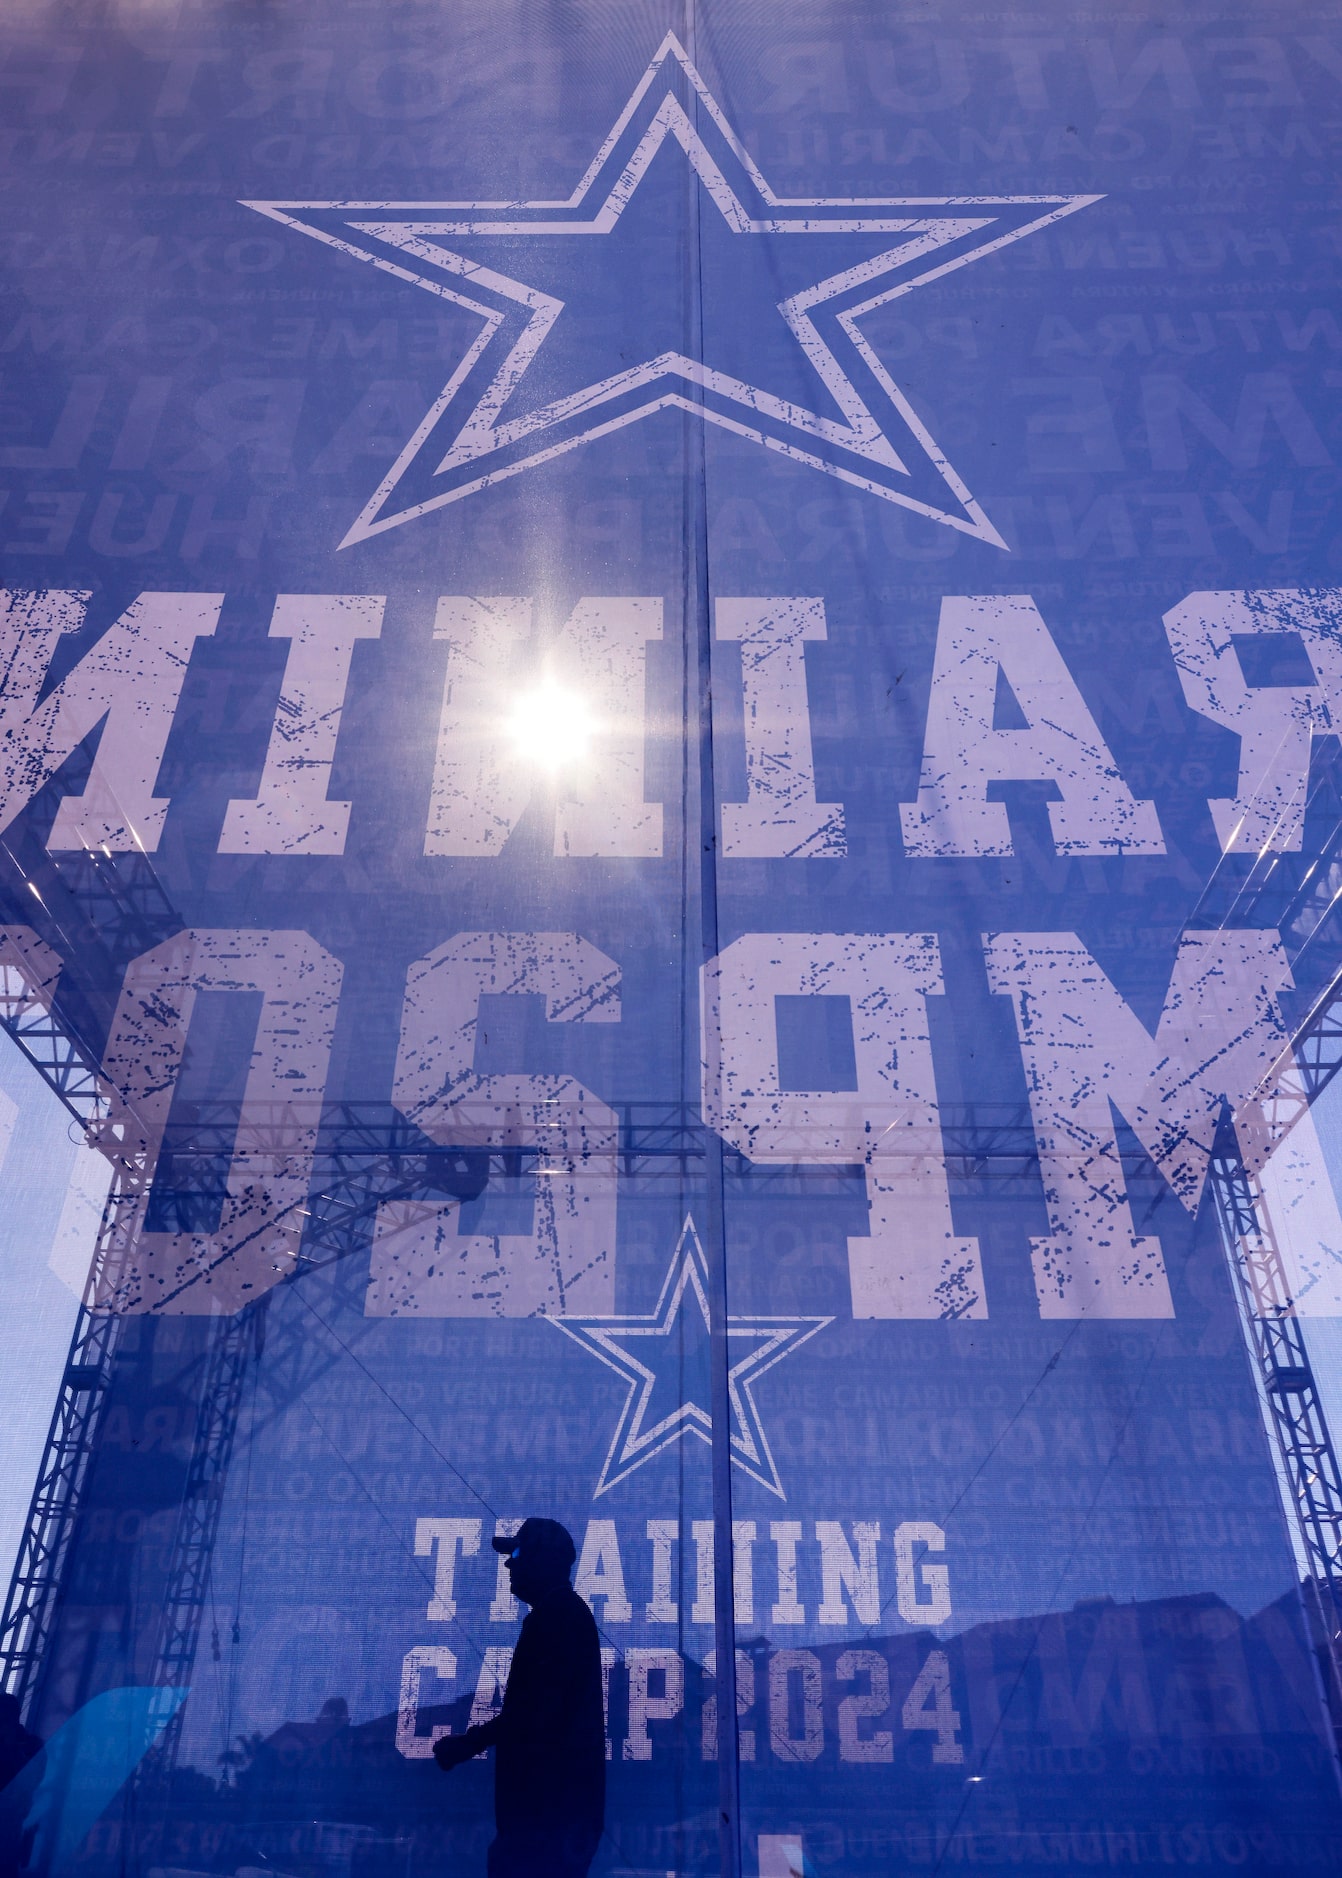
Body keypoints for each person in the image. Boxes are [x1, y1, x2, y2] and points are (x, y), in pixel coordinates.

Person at [434, 1518, 604, 1878]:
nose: (509, 1562)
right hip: (546, 1825)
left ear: (543, 1560)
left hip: (546, 1826)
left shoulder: (558, 1617)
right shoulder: (559, 1615)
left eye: (518, 1552)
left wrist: (467, 1744)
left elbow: (534, 1713)